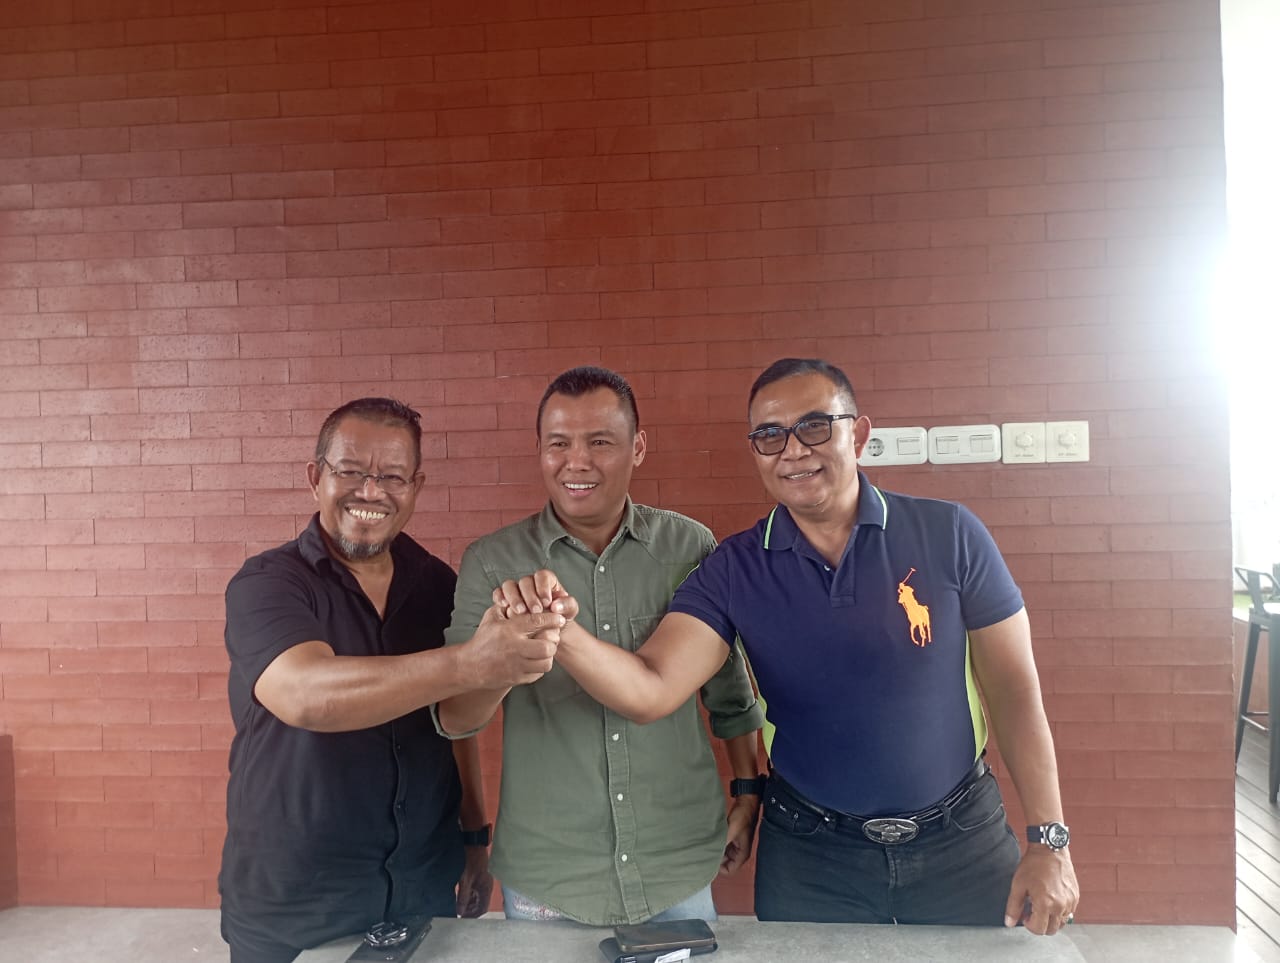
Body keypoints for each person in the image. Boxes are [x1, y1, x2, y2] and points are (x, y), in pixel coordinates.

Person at [495, 359, 1081, 935]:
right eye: (770, 436)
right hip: (811, 855)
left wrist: (1050, 840)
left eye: (815, 427)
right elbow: (651, 689)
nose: (793, 451)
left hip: (961, 841)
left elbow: (1015, 693)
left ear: (859, 435)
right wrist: (559, 629)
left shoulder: (950, 534)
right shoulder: (735, 569)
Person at [219, 398, 565, 963]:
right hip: (292, 896)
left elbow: (455, 725)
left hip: (420, 883)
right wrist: (470, 663)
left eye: (392, 477)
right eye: (350, 471)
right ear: (315, 477)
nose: (370, 491)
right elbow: (304, 694)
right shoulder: (268, 583)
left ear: (415, 487)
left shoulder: (437, 586)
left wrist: (473, 837)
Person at [435, 366, 765, 926]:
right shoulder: (493, 562)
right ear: (539, 451)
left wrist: (748, 791)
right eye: (558, 444)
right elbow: (457, 719)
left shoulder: (689, 546)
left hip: (675, 862)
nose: (577, 462)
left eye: (600, 442)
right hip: (550, 872)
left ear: (638, 448)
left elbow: (731, 696)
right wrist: (502, 656)